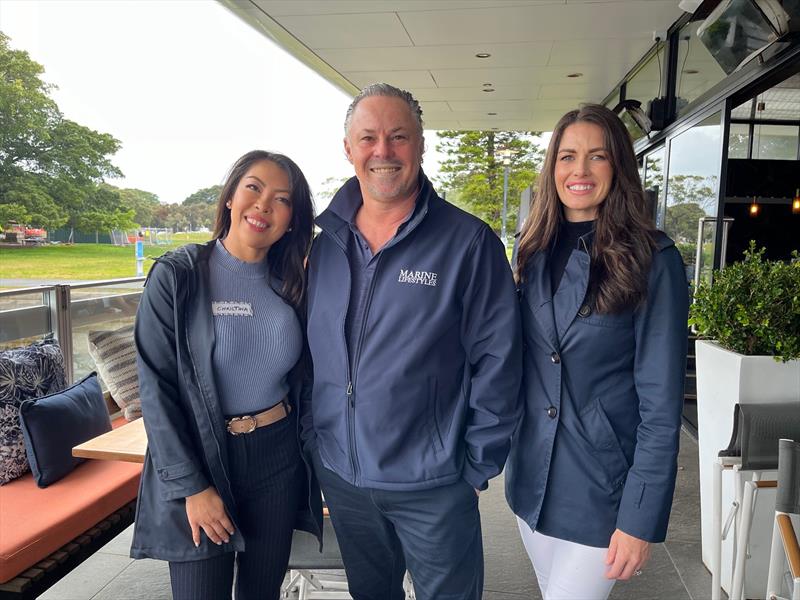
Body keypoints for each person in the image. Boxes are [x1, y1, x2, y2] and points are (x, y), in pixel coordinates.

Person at [302, 83, 522, 600]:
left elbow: (500, 360)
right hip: (345, 479)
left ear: (421, 146)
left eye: (399, 137)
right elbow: (312, 357)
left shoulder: (468, 243)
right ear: (349, 148)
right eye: (369, 137)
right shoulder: (325, 245)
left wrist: (473, 464)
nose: (383, 151)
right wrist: (319, 443)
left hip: (435, 484)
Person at [505, 104, 689, 600]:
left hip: (602, 491)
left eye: (596, 157)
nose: (579, 170)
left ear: (619, 167)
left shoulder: (655, 260)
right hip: (532, 483)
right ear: (553, 168)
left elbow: (661, 405)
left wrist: (640, 517)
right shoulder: (531, 247)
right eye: (567, 156)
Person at [131, 150, 322, 600]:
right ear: (231, 198)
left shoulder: (295, 283)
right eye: (253, 188)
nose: (263, 206)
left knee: (262, 593)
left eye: (282, 199)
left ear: (292, 219)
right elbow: (156, 388)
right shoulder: (179, 275)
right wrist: (194, 487)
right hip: (203, 457)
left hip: (277, 459)